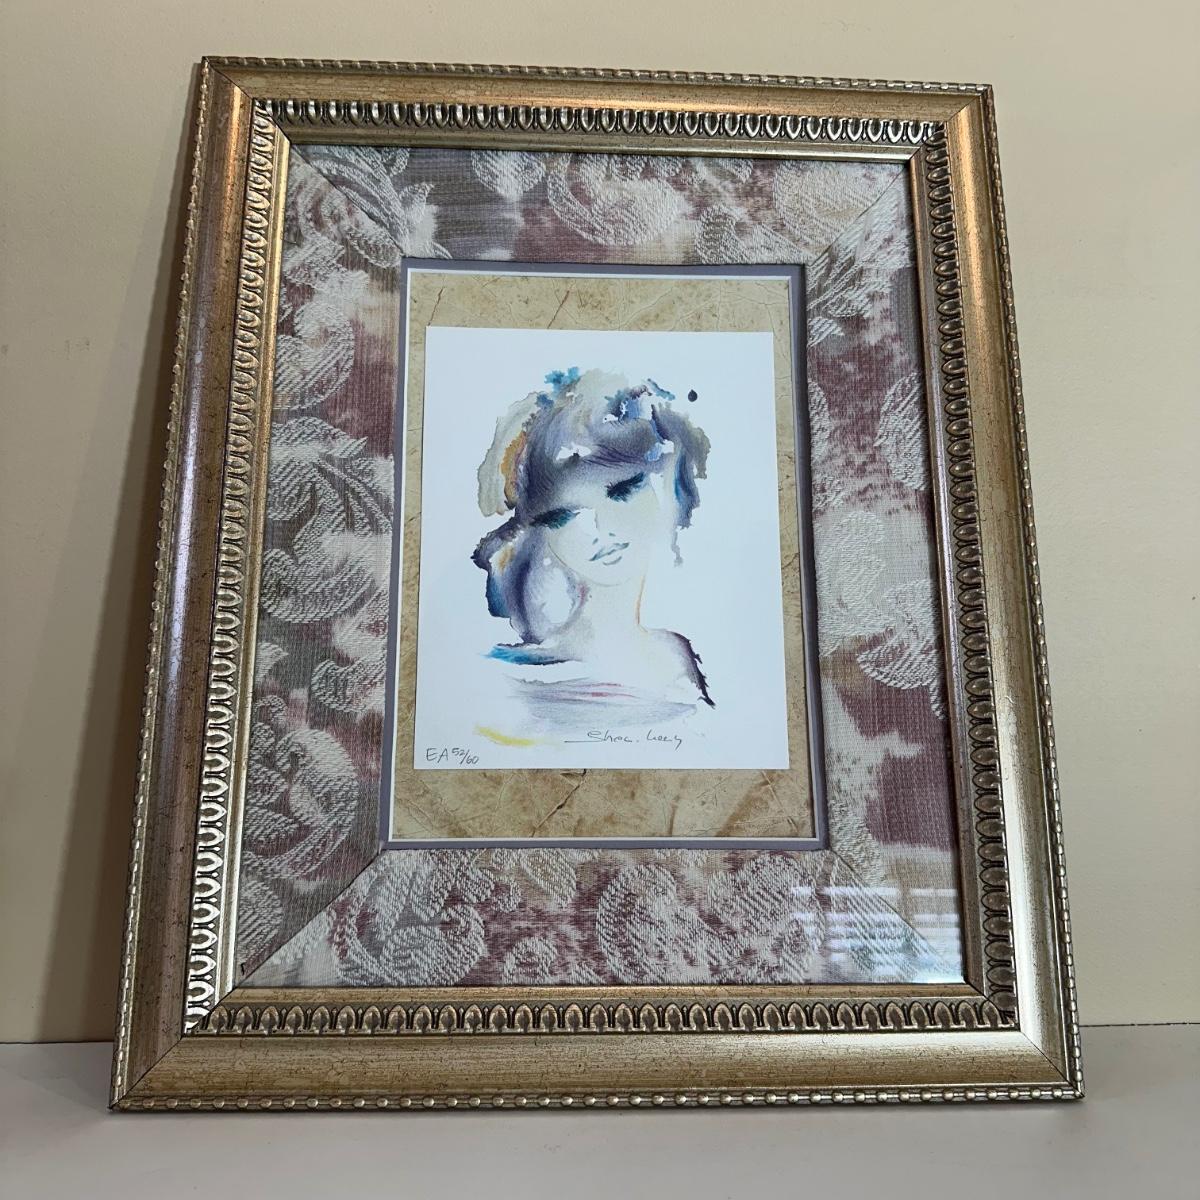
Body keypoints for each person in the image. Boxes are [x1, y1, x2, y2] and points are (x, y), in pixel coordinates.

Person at [472, 366, 714, 735]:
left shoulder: (677, 657)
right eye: (565, 515)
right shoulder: (516, 682)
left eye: (624, 491)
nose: (602, 528)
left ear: (665, 486)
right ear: (540, 534)